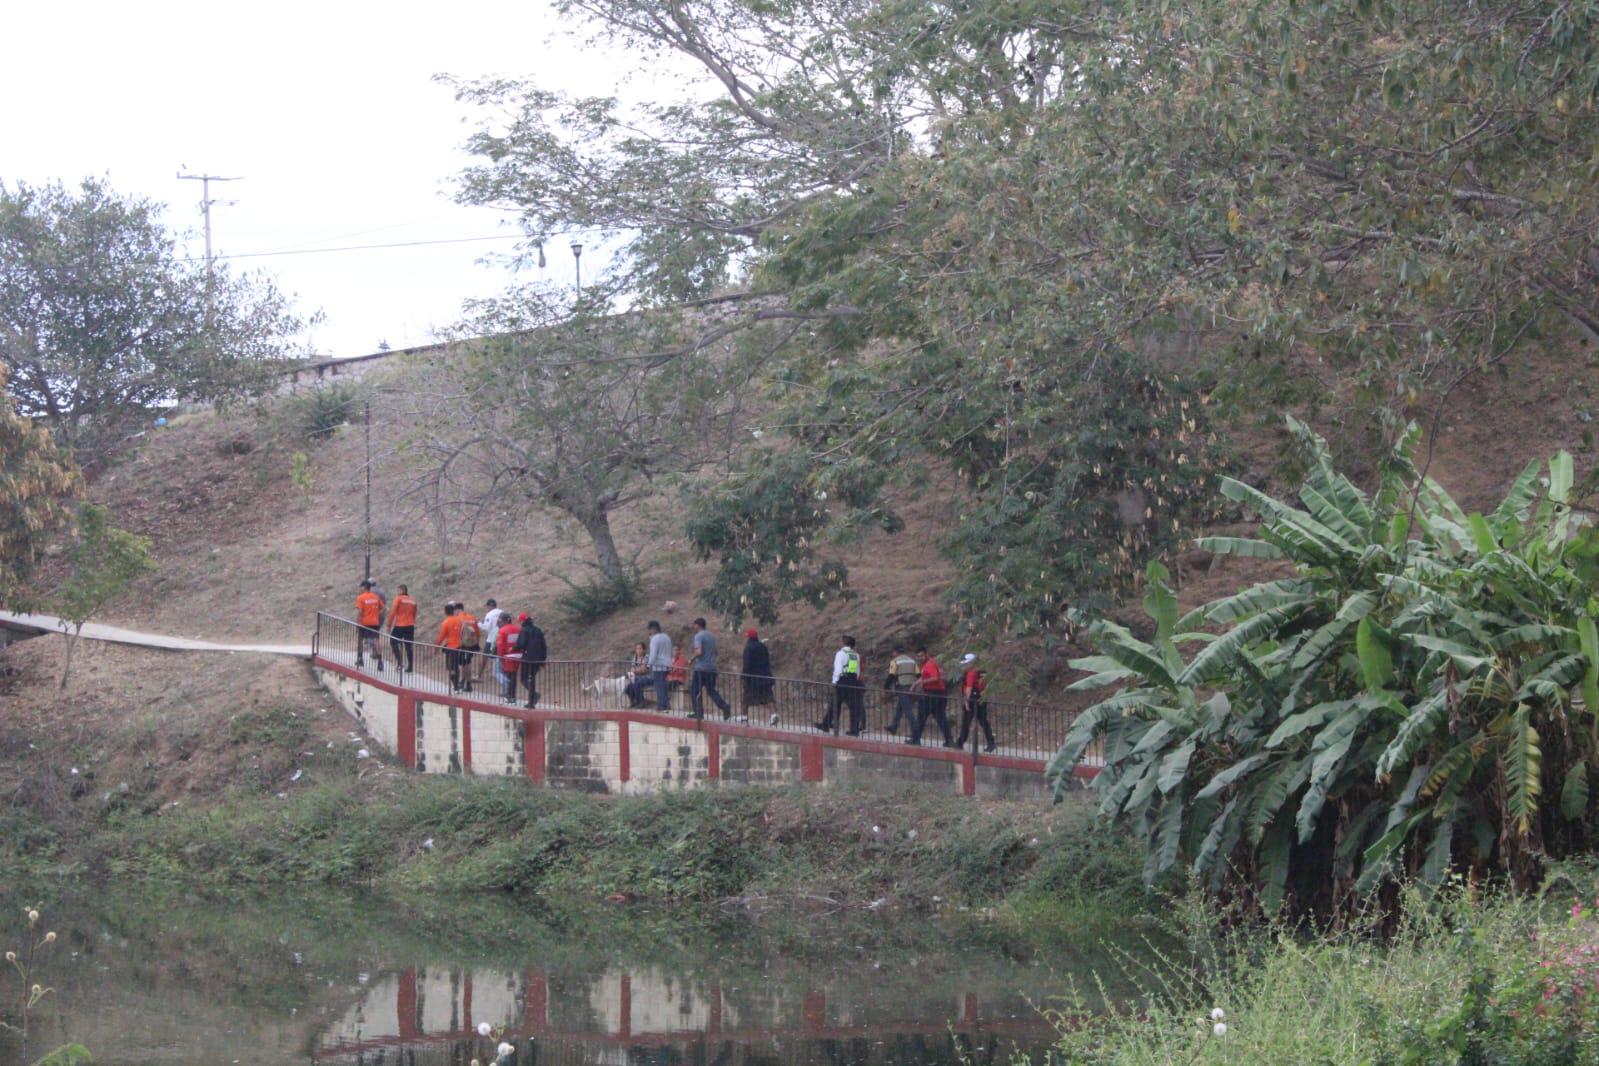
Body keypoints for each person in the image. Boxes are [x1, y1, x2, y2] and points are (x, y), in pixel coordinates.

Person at [816, 635, 864, 735]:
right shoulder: (856, 655)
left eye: (841, 641)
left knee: (835, 704)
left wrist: (834, 682)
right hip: (853, 680)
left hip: (842, 680)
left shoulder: (841, 653)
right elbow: (857, 670)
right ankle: (854, 730)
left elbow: (838, 669)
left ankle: (826, 725)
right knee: (853, 706)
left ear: (844, 643)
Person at [687, 617, 732, 720]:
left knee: (695, 690)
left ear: (698, 625)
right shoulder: (712, 636)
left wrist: (691, 659)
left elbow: (699, 652)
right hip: (712, 668)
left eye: (694, 625)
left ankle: (698, 713)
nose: (694, 627)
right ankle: (725, 707)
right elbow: (715, 652)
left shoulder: (698, 636)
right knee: (711, 691)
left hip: (701, 668)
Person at [909, 647, 954, 747]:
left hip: (932, 693)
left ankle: (915, 739)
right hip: (939, 693)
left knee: (921, 716)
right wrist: (915, 684)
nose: (920, 658)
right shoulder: (927, 665)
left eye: (921, 655)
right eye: (918, 656)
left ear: (926, 654)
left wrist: (923, 683)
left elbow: (935, 678)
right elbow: (924, 677)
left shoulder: (929, 664)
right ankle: (949, 740)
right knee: (940, 717)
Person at [955, 652, 996, 752]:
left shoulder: (971, 673)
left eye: (966, 663)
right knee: (983, 721)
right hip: (980, 698)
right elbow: (986, 686)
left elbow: (968, 688)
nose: (965, 665)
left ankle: (960, 742)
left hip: (973, 699)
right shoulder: (982, 672)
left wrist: (966, 701)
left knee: (966, 722)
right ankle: (991, 742)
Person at [884, 645, 918, 735]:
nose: (893, 654)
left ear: (896, 652)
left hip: (902, 687)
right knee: (900, 708)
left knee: (908, 710)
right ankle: (894, 727)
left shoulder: (895, 661)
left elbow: (891, 676)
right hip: (912, 687)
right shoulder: (912, 661)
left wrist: (886, 687)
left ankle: (915, 733)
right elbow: (919, 675)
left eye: (893, 652)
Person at [517, 613, 547, 708]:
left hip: (528, 659)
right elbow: (544, 645)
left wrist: (513, 648)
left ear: (522, 621)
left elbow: (521, 644)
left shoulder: (524, 630)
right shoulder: (538, 630)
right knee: (531, 679)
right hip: (538, 659)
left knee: (524, 679)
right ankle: (531, 701)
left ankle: (533, 697)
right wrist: (543, 659)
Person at [355, 579, 386, 671]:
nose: (360, 589)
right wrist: (377, 614)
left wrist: (358, 622)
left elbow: (360, 612)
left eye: (361, 587)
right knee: (377, 640)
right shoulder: (375, 597)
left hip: (364, 622)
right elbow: (384, 608)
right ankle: (380, 662)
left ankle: (360, 659)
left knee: (360, 640)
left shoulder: (361, 597)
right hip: (375, 622)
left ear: (364, 587)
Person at [436, 602, 467, 692]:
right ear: (453, 611)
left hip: (450, 648)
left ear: (445, 612)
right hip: (459, 647)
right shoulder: (459, 621)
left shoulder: (446, 622)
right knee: (455, 666)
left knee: (450, 667)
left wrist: (436, 647)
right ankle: (457, 685)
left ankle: (456, 686)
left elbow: (441, 637)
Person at [388, 584, 418, 673]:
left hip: (400, 625)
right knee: (409, 646)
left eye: (398, 590)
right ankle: (410, 667)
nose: (397, 592)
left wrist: (389, 624)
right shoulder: (413, 600)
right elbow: (414, 613)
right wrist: (412, 622)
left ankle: (400, 662)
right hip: (410, 625)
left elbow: (393, 612)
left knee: (393, 642)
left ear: (402, 590)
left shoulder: (398, 599)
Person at [741, 628, 774, 709]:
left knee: (746, 699)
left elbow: (747, 664)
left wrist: (744, 677)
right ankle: (774, 714)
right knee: (769, 697)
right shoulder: (763, 646)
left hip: (753, 678)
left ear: (749, 638)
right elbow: (767, 661)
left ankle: (744, 715)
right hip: (764, 677)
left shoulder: (748, 648)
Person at [496, 611, 523, 704]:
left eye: (500, 621)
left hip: (508, 656)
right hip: (519, 655)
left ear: (504, 620)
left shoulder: (502, 631)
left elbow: (500, 646)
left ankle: (510, 696)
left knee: (509, 677)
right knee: (513, 676)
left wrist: (500, 657)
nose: (499, 622)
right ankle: (512, 696)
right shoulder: (518, 629)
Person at [477, 599, 506, 683]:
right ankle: (502, 675)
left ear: (490, 606)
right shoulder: (502, 612)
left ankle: (479, 676)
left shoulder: (489, 614)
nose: (487, 608)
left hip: (491, 639)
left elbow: (486, 627)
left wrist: (478, 623)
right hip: (501, 638)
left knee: (484, 658)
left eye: (487, 606)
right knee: (499, 658)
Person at [455, 601, 482, 692]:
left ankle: (468, 684)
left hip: (463, 645)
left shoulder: (458, 618)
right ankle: (464, 682)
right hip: (472, 644)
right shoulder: (472, 618)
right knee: (467, 662)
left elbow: (457, 633)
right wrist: (476, 644)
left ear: (457, 610)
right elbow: (478, 633)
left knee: (465, 664)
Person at [646, 620, 673, 711]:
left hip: (658, 666)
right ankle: (666, 704)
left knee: (659, 686)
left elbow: (653, 654)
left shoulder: (655, 639)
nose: (649, 632)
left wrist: (648, 665)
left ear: (653, 629)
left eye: (650, 630)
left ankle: (662, 705)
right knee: (663, 685)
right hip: (667, 665)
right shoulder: (667, 637)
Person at [624, 641, 650, 709]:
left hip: (646, 676)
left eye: (640, 648)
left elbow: (644, 670)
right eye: (637, 648)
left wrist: (636, 670)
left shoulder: (646, 657)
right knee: (628, 687)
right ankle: (633, 701)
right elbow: (632, 668)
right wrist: (637, 669)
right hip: (637, 676)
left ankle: (641, 702)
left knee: (637, 684)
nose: (638, 650)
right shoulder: (635, 657)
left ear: (644, 650)